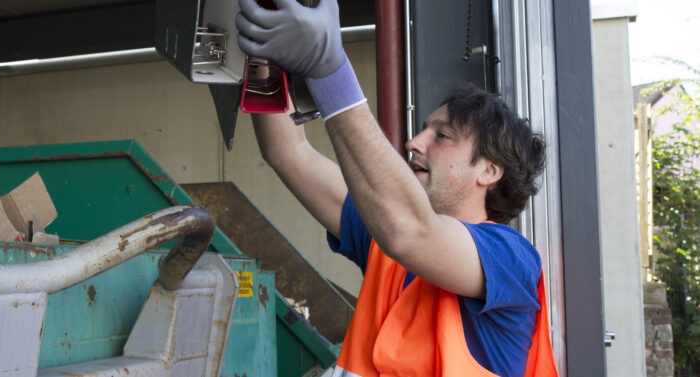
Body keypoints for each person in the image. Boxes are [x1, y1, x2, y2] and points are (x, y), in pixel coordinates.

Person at [235, 0, 559, 376]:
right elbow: (288, 152)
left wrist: (330, 70)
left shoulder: (510, 259)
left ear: (489, 170)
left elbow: (410, 232)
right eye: (423, 128)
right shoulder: (386, 240)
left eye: (442, 136)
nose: (413, 142)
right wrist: (265, 55)